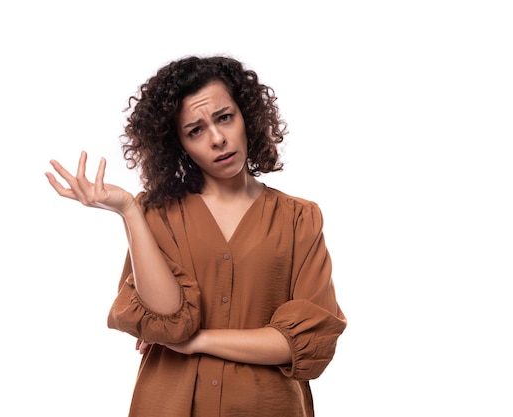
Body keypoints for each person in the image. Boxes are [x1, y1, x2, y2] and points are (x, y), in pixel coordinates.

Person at [45, 55, 347, 417]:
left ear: (246, 117)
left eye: (224, 118)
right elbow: (166, 319)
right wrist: (128, 210)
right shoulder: (154, 213)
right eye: (195, 130)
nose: (218, 139)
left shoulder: (300, 219)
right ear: (179, 145)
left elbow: (305, 340)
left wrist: (197, 341)